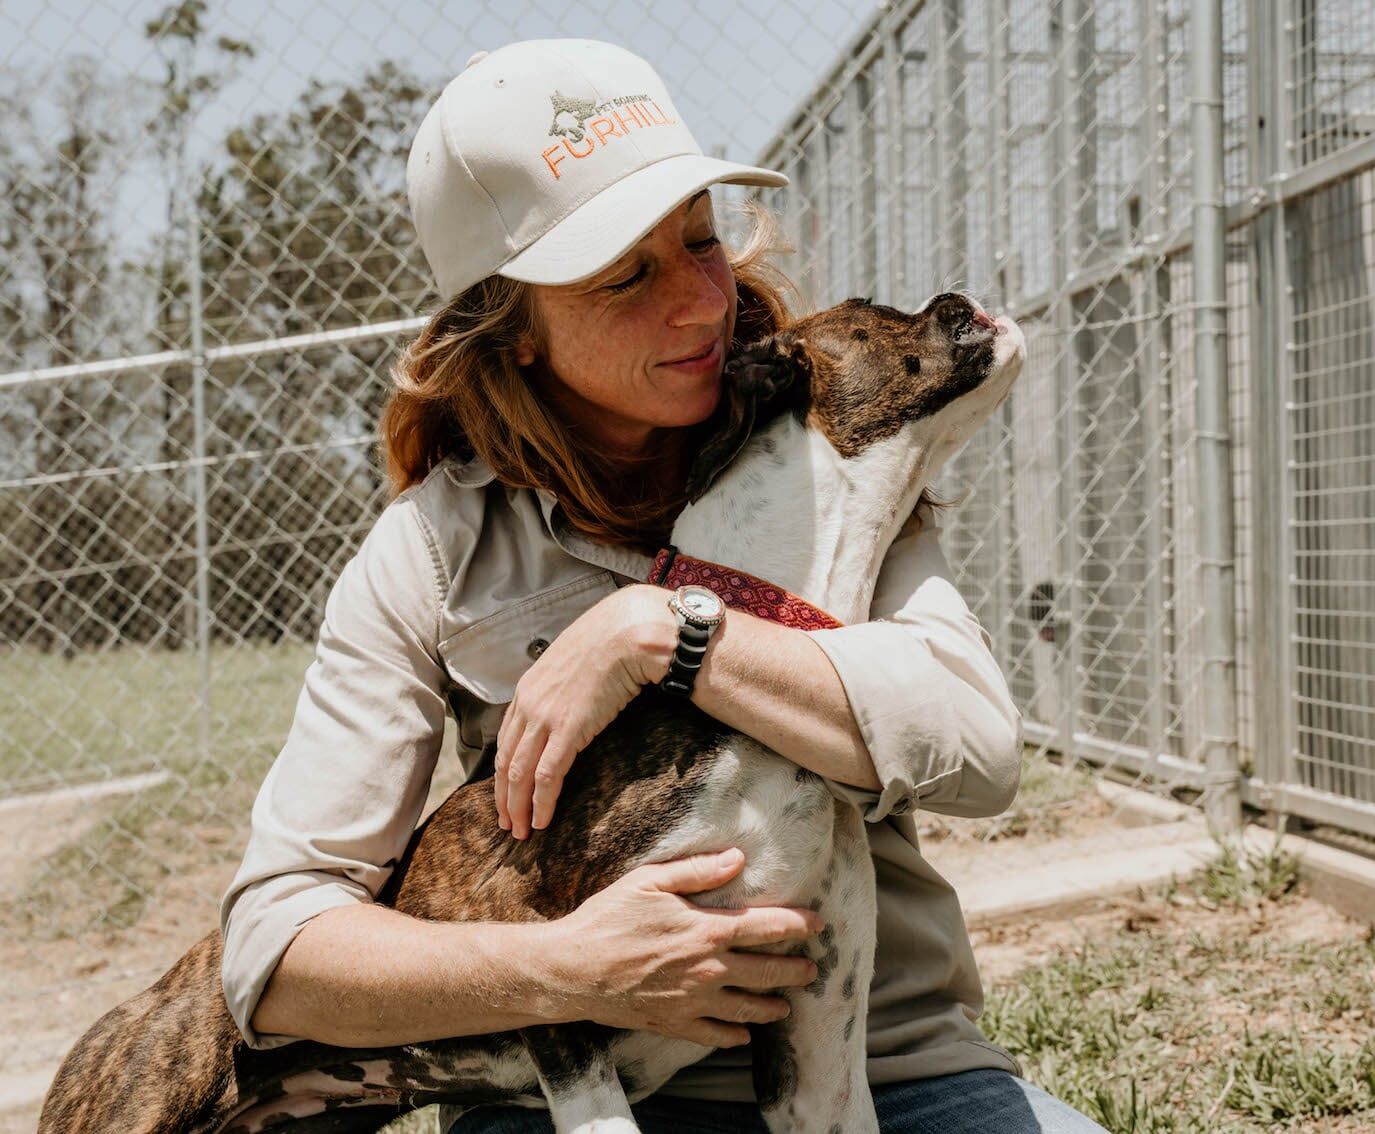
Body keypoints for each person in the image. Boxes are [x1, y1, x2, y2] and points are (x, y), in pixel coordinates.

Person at [217, 38, 1110, 1134]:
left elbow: (976, 751)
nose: (700, 301)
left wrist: (666, 634)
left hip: (889, 1072)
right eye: (623, 277)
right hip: (562, 1091)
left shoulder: (829, 440)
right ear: (512, 329)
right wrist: (565, 970)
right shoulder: (434, 553)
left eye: (700, 239)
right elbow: (277, 948)